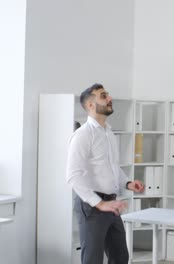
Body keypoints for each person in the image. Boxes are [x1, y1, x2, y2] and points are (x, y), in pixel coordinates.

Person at [66, 83, 145, 264]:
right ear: (91, 105)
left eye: (107, 94)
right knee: (93, 260)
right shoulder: (82, 135)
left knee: (120, 257)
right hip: (92, 207)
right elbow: (73, 175)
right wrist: (99, 203)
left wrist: (127, 183)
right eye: (103, 96)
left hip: (111, 204)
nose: (109, 98)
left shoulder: (108, 132)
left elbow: (112, 167)